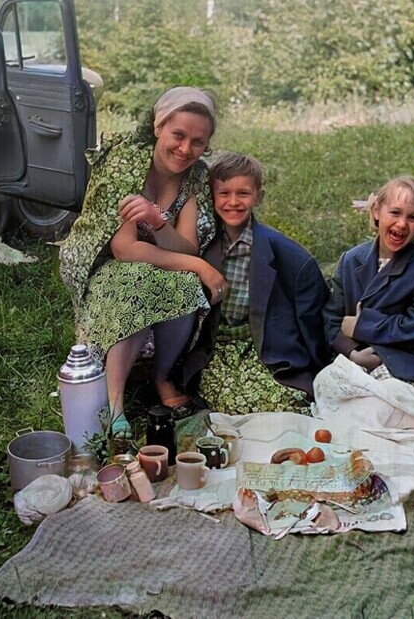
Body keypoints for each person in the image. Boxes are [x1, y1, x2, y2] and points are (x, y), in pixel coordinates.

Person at [59, 87, 227, 438]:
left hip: (153, 261)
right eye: (177, 135)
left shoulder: (195, 177)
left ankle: (163, 375)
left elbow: (187, 246)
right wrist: (199, 266)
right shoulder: (128, 163)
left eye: (197, 141)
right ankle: (114, 401)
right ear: (157, 126)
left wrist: (159, 222)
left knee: (182, 284)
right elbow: (124, 249)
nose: (185, 149)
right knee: (136, 279)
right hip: (103, 260)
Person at [183, 152, 330, 414]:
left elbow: (312, 320)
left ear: (258, 197)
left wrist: (317, 370)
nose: (233, 202)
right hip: (217, 349)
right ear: (211, 195)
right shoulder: (202, 244)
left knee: (286, 403)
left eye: (243, 193)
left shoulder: (289, 257)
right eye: (224, 193)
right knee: (230, 402)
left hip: (264, 350)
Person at [322, 175, 414, 400]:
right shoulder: (351, 260)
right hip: (358, 358)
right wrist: (352, 352)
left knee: (387, 399)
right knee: (330, 395)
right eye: (395, 213)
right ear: (377, 211)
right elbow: (330, 318)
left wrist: (362, 326)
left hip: (408, 362)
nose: (402, 224)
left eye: (412, 218)